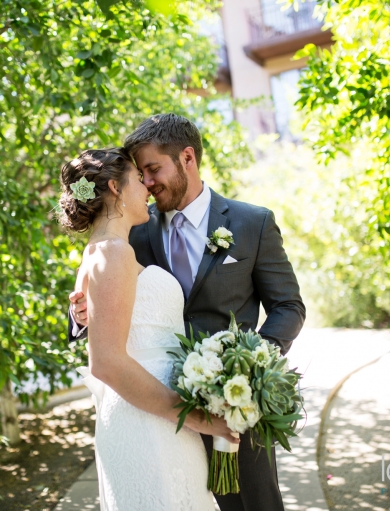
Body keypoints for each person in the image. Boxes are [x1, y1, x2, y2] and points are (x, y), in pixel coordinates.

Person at [69, 114, 306, 511]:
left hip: (234, 407)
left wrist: (248, 368)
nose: (146, 182)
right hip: (157, 413)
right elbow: (106, 302)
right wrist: (80, 315)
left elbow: (288, 307)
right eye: (140, 173)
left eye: (153, 169)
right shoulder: (133, 231)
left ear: (188, 158)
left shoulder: (252, 223)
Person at [58, 147, 237, 511]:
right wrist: (201, 420)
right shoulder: (113, 253)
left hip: (153, 419)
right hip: (149, 425)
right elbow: (105, 361)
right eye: (139, 180)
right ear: (115, 187)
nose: (148, 189)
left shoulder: (102, 250)